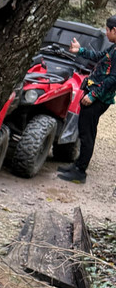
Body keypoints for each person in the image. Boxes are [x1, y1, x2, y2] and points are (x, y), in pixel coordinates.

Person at [58, 15, 116, 183]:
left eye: (107, 30)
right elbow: (99, 56)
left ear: (115, 30)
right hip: (95, 94)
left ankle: (80, 172)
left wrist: (93, 95)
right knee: (86, 131)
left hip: (98, 99)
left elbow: (113, 79)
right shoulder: (113, 48)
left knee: (86, 134)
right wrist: (80, 50)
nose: (106, 33)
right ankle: (77, 165)